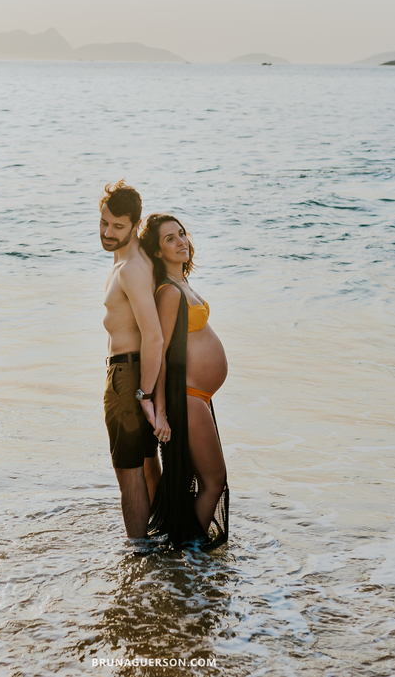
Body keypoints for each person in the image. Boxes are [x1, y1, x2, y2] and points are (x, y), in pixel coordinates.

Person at [140, 213, 229, 547]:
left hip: (198, 397)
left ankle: (183, 552)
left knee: (202, 480)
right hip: (187, 398)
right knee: (213, 480)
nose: (181, 242)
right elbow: (160, 354)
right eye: (169, 239)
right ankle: (187, 554)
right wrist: (159, 411)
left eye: (181, 234)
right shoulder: (169, 292)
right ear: (158, 252)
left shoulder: (183, 285)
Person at [99, 180, 170, 539]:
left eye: (118, 227)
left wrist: (144, 396)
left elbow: (154, 335)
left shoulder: (132, 269)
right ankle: (161, 536)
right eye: (104, 223)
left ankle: (138, 551)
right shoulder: (126, 256)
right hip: (131, 373)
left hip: (128, 377)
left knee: (128, 473)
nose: (108, 233)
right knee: (145, 463)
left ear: (135, 225)